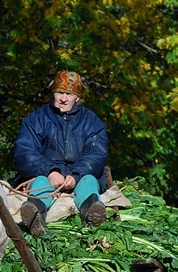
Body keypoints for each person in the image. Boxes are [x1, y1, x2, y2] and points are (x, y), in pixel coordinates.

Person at [13, 70, 109, 237]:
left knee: (89, 181)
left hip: (80, 175)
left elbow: (96, 154)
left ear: (77, 97)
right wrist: (50, 171)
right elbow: (25, 151)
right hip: (43, 175)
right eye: (60, 92)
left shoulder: (92, 122)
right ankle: (35, 213)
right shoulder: (36, 119)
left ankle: (92, 211)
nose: (63, 98)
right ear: (53, 93)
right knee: (40, 182)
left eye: (69, 94)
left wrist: (76, 175)